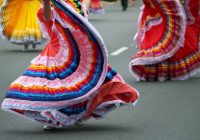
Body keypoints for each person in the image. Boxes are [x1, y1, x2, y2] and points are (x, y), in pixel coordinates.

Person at [1, 0, 139, 130]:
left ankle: (79, 114)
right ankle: (53, 117)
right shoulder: (45, 9)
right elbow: (47, 17)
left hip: (75, 51)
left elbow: (82, 23)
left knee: (82, 83)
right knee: (53, 85)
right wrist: (49, 3)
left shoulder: (74, 6)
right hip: (55, 51)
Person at [129, 0, 200, 81]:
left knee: (170, 36)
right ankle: (161, 69)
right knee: (158, 36)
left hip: (163, 10)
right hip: (157, 10)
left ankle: (164, 69)